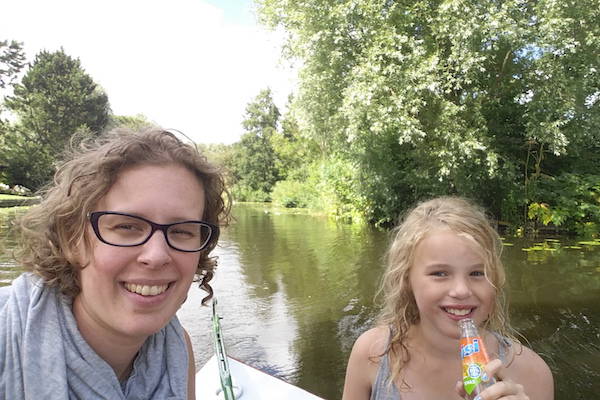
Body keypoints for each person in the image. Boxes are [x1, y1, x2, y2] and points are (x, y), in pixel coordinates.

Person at [0, 127, 230, 399]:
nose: (156, 256)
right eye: (126, 226)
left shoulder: (178, 349)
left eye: (182, 231)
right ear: (72, 238)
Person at [342, 197, 554, 400]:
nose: (461, 290)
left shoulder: (532, 374)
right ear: (406, 280)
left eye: (477, 273)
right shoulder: (374, 354)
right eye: (440, 273)